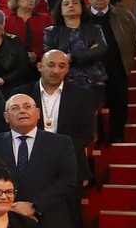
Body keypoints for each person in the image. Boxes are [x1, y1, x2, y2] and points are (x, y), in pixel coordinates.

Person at [0, 94, 78, 228]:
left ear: (38, 113)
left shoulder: (61, 143)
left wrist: (34, 206)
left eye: (27, 107)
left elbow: (68, 180)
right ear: (6, 117)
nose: (22, 111)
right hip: (2, 227)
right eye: (15, 108)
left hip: (48, 226)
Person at [14, 50, 96, 188]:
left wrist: (58, 151)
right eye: (51, 65)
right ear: (40, 67)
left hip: (70, 164)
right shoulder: (20, 94)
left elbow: (87, 134)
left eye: (62, 66)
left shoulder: (83, 95)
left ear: (67, 69)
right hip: (29, 165)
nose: (56, 71)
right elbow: (14, 127)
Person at [86, 0, 135, 142]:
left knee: (119, 104)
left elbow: (133, 37)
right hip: (89, 70)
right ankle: (96, 138)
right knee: (91, 106)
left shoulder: (123, 15)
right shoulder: (82, 17)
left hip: (117, 67)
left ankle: (117, 136)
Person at [42, 0, 108, 89]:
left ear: (82, 8)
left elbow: (101, 50)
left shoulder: (94, 29)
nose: (71, 5)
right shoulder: (51, 31)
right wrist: (87, 51)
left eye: (75, 3)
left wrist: (71, 57)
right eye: (66, 4)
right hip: (63, 79)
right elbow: (50, 55)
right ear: (60, 10)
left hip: (92, 78)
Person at [2, 0, 50, 66]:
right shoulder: (6, 21)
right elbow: (5, 44)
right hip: (14, 63)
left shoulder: (45, 18)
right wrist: (24, 55)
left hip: (42, 62)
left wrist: (37, 53)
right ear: (16, 0)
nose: (31, 0)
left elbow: (51, 41)